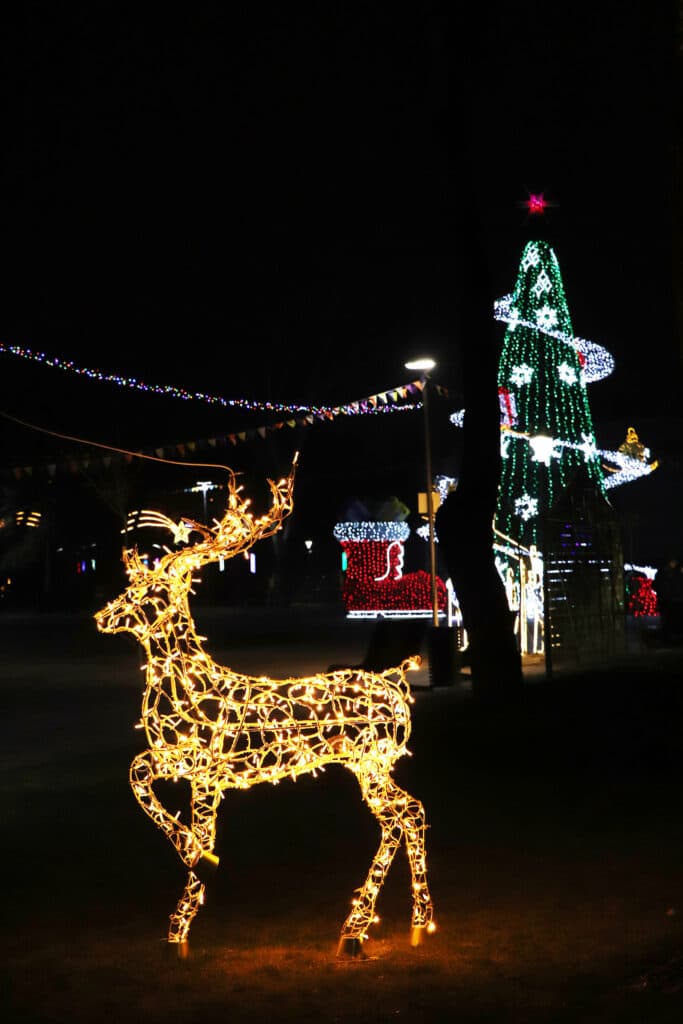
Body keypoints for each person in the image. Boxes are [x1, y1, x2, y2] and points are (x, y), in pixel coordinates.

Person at [654, 557, 683, 645]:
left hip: (672, 600)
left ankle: (671, 637)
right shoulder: (665, 572)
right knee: (668, 620)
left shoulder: (675, 572)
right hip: (668, 600)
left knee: (671, 620)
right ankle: (668, 638)